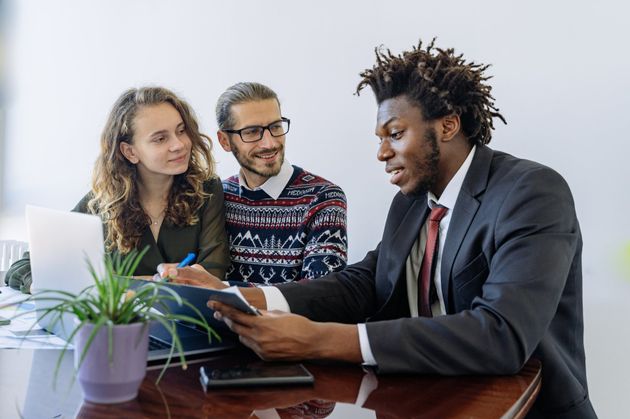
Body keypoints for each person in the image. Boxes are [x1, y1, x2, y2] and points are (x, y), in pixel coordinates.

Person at [167, 40, 596, 418]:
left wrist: (319, 340)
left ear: (447, 125)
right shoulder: (410, 203)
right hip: (421, 401)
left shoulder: (531, 191)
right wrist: (238, 298)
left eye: (394, 133)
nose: (381, 152)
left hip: (519, 408)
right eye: (380, 137)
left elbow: (499, 335)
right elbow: (363, 284)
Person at [5, 86, 230, 291]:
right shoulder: (103, 201)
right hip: (118, 328)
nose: (179, 144)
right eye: (160, 138)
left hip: (186, 328)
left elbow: (213, 273)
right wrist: (44, 287)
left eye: (181, 131)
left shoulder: (207, 191)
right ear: (130, 152)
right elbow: (25, 267)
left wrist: (116, 284)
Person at [214, 82, 347, 285]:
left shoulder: (323, 199)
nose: (270, 143)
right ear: (225, 141)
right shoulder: (216, 197)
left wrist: (223, 290)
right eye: (252, 132)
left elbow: (319, 295)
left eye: (276, 127)